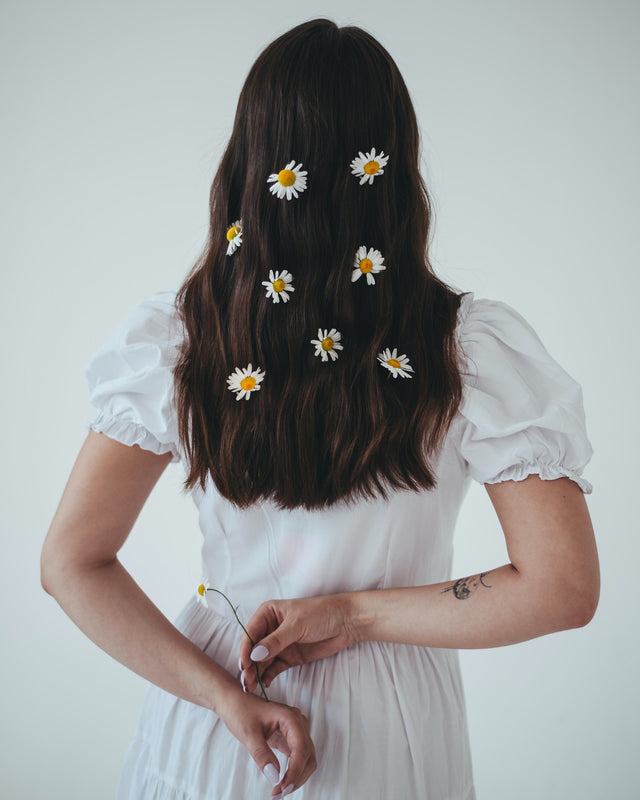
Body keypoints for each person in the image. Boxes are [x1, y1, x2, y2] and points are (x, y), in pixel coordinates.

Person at [40, 18, 599, 800]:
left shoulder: (182, 338)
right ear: (397, 170)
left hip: (224, 707)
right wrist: (354, 616)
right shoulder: (465, 348)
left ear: (251, 161)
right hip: (392, 726)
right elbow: (563, 588)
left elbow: (71, 561)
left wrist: (223, 698)